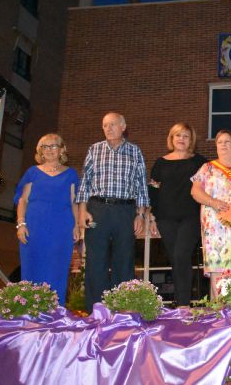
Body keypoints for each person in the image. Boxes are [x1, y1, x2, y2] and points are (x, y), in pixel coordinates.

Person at [77, 112, 150, 312]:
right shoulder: (94, 150)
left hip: (125, 210)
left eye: (112, 124)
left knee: (124, 259)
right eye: (104, 125)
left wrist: (140, 214)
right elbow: (85, 183)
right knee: (95, 260)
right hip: (97, 210)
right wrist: (82, 211)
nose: (108, 129)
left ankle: (123, 308)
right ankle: (96, 310)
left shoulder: (135, 152)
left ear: (123, 126)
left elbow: (141, 186)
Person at [191, 129, 231, 299]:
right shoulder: (207, 168)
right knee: (218, 266)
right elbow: (195, 192)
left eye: (227, 142)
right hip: (215, 226)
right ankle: (219, 313)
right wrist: (213, 202)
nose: (223, 145)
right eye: (219, 142)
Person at [14, 133, 79, 305]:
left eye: (53, 146)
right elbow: (23, 200)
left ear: (62, 149)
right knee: (32, 267)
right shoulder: (32, 172)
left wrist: (77, 225)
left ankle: (55, 312)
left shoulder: (71, 174)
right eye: (45, 146)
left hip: (61, 229)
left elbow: (74, 202)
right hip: (34, 228)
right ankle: (30, 311)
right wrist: (21, 223)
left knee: (57, 268)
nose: (49, 150)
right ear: (40, 151)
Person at [148, 123, 206, 308]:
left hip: (191, 217)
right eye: (177, 135)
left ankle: (183, 305)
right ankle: (180, 301)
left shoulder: (200, 162)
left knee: (181, 255)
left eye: (186, 136)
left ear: (191, 140)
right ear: (171, 138)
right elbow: (153, 191)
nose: (181, 139)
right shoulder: (160, 163)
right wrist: (151, 217)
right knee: (176, 259)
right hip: (166, 218)